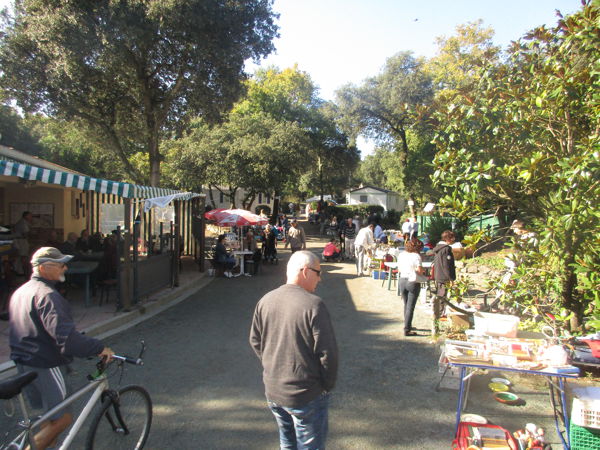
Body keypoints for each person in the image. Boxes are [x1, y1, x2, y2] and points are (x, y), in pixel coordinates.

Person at [9, 247, 114, 450]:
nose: (65, 267)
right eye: (60, 264)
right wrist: (99, 348)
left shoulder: (21, 291)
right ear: (43, 268)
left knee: (49, 420)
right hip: (45, 363)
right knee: (63, 418)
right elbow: (68, 340)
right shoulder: (48, 296)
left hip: (23, 363)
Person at [250, 250, 338, 450]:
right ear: (305, 271)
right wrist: (326, 384)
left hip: (274, 390)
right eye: (318, 272)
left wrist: (273, 367)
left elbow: (256, 341)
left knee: (287, 442)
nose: (320, 278)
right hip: (306, 392)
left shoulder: (266, 300)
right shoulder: (314, 305)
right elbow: (327, 353)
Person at [397, 238, 424, 336]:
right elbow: (420, 270)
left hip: (402, 280)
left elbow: (399, 269)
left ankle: (407, 324)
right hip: (412, 281)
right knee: (410, 306)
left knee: (406, 304)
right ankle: (407, 329)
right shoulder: (416, 256)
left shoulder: (401, 254)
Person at [13, 211, 34, 277]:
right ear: (26, 216)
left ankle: (19, 271)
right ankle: (22, 272)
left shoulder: (23, 222)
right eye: (30, 216)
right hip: (21, 241)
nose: (31, 217)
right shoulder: (23, 223)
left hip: (21, 241)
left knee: (21, 257)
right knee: (23, 256)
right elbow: (26, 233)